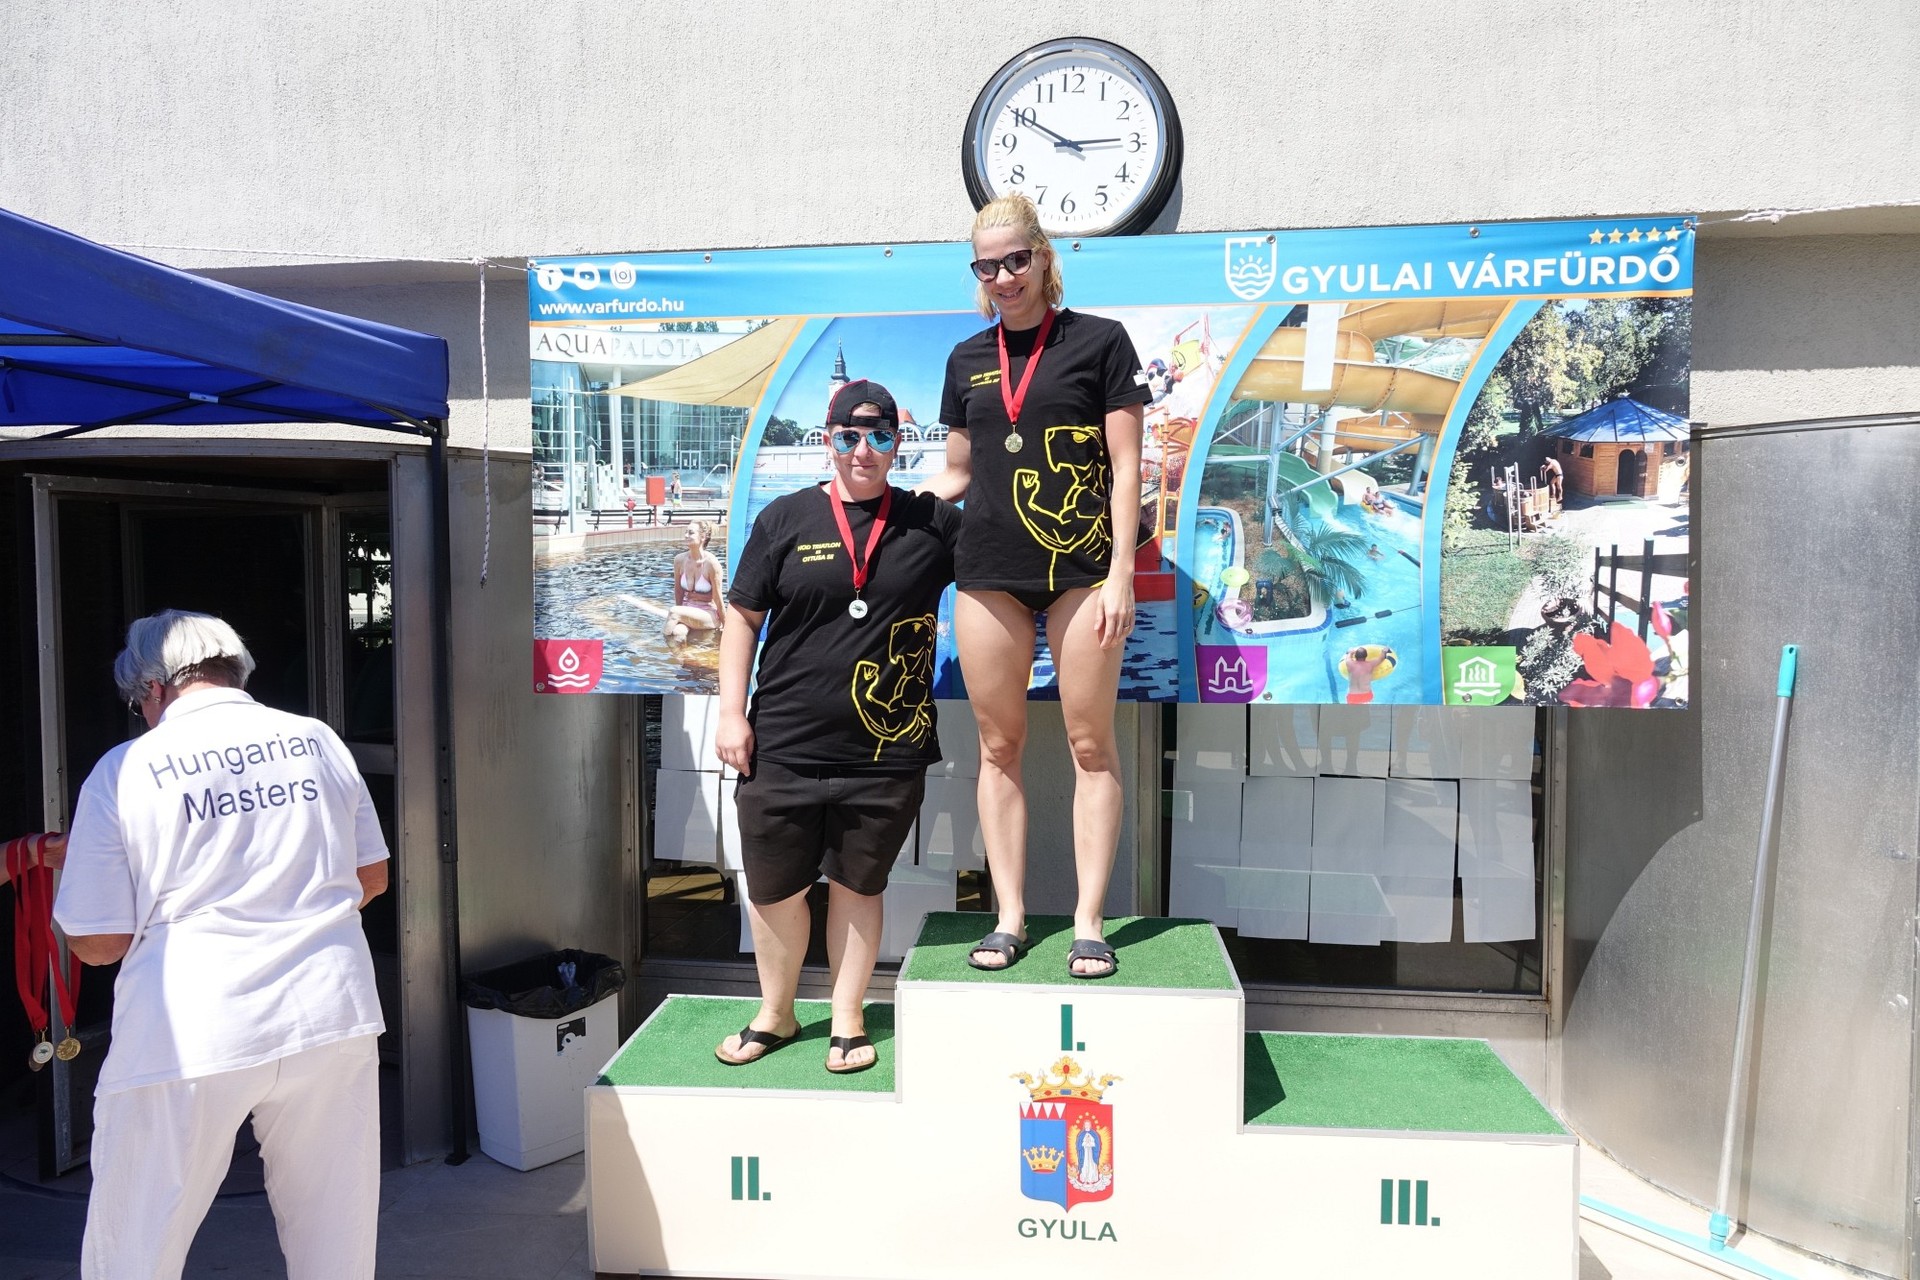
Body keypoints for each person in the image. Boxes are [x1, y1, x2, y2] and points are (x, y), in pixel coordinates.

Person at [53, 610, 389, 1280]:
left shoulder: (126, 769)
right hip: (330, 1010)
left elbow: (99, 941)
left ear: (153, 688)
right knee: (336, 1237)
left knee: (136, 1241)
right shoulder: (316, 739)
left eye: (138, 705)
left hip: (190, 1028)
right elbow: (371, 877)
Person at [923, 193, 1148, 979]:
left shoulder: (1101, 342)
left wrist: (1121, 576)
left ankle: (1089, 923)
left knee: (1091, 746)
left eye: (1017, 259)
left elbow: (1127, 468)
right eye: (988, 265)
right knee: (998, 748)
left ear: (1045, 257)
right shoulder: (966, 359)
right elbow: (957, 472)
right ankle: (1009, 917)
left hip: (1082, 573)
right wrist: (886, 505)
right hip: (988, 574)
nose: (1004, 276)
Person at [715, 380, 959, 1072]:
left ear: (898, 444)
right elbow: (742, 617)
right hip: (782, 744)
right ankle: (777, 1012)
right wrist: (731, 712)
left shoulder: (931, 523)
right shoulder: (785, 518)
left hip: (885, 752)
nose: (863, 450)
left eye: (880, 436)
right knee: (774, 889)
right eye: (849, 436)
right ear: (828, 440)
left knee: (859, 886)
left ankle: (847, 1016)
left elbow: (1005, 562)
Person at [666, 519, 726, 646]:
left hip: (708, 613)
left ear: (702, 537)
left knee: (674, 612)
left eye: (691, 533)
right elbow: (678, 591)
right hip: (687, 610)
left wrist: (726, 625)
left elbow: (718, 597)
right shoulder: (679, 560)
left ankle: (660, 650)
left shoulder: (712, 564)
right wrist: (679, 617)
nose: (686, 535)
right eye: (686, 532)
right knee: (677, 633)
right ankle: (681, 658)